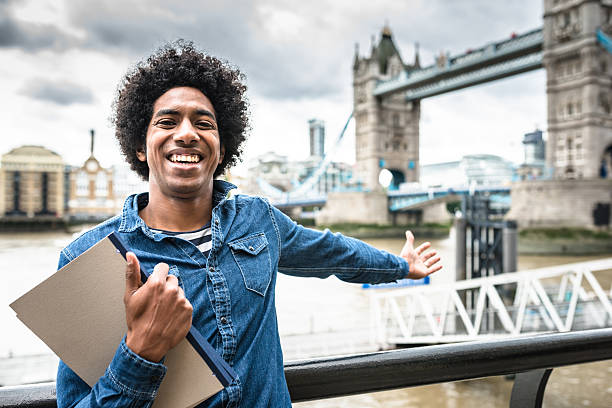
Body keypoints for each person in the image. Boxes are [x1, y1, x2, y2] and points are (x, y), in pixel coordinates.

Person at [56, 41, 442, 408]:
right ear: (140, 146)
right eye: (167, 121)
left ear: (222, 147)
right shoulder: (88, 258)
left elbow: (333, 251)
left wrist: (402, 266)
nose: (187, 133)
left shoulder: (259, 220)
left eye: (204, 123)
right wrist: (140, 353)